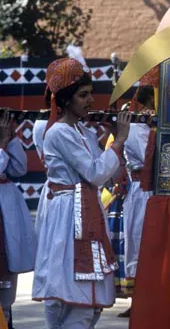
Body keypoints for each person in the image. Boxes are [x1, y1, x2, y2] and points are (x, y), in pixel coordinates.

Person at [32, 56, 131, 328]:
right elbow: (96, 173)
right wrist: (119, 141)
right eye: (83, 95)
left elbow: (104, 173)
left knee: (88, 301)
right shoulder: (59, 133)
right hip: (67, 216)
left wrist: (113, 146)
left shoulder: (83, 132)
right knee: (69, 293)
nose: (90, 101)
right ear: (65, 100)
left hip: (84, 209)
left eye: (91, 94)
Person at [121, 68, 158, 317]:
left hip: (153, 190)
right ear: (148, 100)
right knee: (139, 241)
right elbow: (150, 157)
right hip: (140, 191)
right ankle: (139, 301)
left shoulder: (151, 123)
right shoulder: (135, 126)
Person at [0, 112, 37, 325]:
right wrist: (3, 144)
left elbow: (20, 168)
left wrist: (11, 139)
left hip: (7, 207)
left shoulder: (5, 137)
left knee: (9, 260)